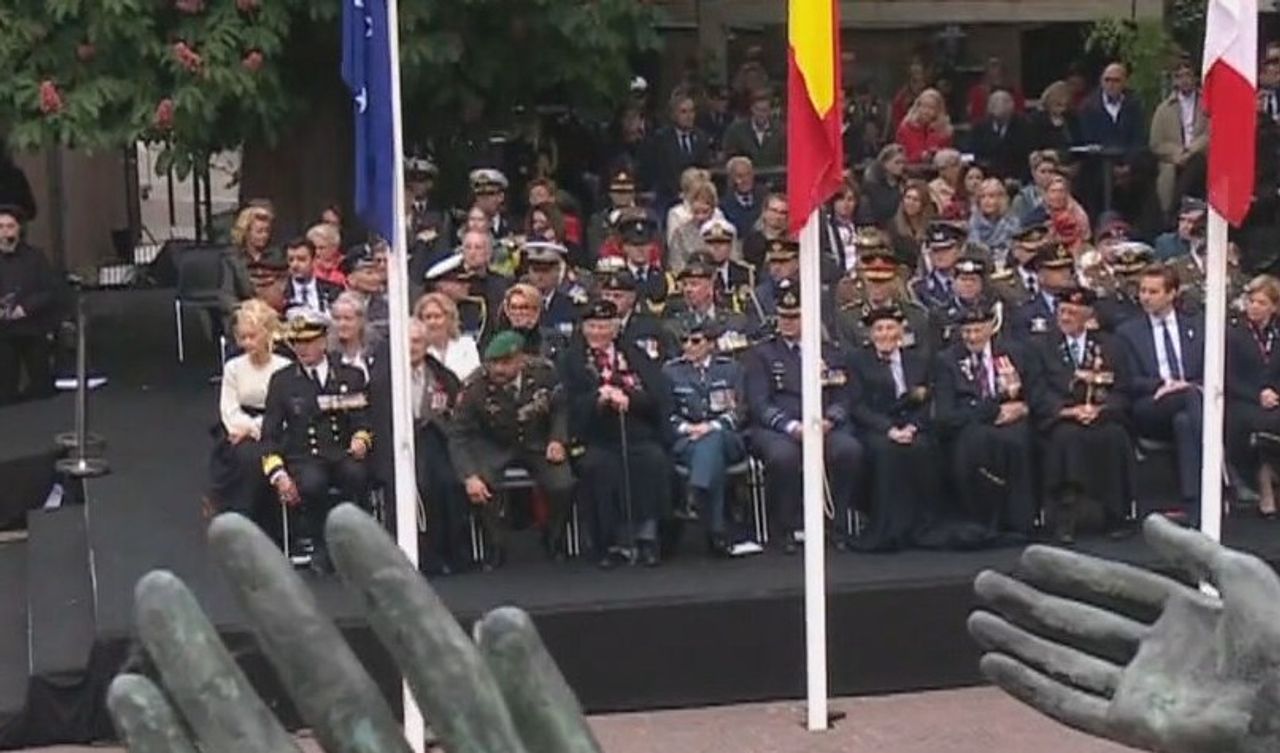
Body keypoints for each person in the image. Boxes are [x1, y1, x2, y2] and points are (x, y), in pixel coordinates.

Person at [743, 280, 864, 552]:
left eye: (794, 317)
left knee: (849, 450)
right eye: (784, 317)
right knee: (783, 457)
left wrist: (830, 419)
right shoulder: (762, 354)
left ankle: (837, 523)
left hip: (823, 424)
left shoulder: (829, 353)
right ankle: (785, 528)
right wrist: (789, 426)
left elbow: (844, 395)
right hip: (779, 427)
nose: (788, 322)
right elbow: (759, 402)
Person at [449, 330, 576, 566]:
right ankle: (495, 544)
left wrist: (558, 439)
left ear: (521, 359)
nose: (498, 370)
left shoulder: (543, 373)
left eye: (505, 363)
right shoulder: (474, 386)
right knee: (481, 487)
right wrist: (469, 475)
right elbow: (459, 434)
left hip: (537, 440)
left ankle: (553, 536)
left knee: (562, 483)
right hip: (494, 444)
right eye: (493, 363)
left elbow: (561, 408)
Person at [561, 299, 672, 568]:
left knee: (652, 460)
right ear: (583, 329)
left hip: (635, 430)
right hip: (594, 436)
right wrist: (598, 397)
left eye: (604, 326)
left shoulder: (633, 355)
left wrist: (629, 396)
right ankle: (608, 543)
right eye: (592, 326)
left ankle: (647, 539)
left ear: (615, 329)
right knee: (600, 467)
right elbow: (567, 405)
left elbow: (656, 397)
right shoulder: (571, 360)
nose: (598, 332)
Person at [260, 310, 373, 574]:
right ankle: (321, 545)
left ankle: (357, 544)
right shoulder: (283, 382)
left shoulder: (349, 376)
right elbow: (270, 435)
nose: (302, 349)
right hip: (305, 456)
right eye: (297, 343)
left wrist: (361, 440)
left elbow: (363, 421)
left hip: (343, 452)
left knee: (357, 476)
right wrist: (278, 474)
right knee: (312, 484)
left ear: (323, 342)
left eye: (308, 342)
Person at [1030, 286, 1133, 543]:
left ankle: (1115, 515)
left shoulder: (1110, 345)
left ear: (1088, 316)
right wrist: (1067, 411)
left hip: (1101, 415)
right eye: (1062, 311)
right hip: (1061, 417)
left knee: (1113, 436)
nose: (1065, 318)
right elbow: (1038, 390)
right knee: (1068, 438)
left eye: (1072, 313)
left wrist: (1101, 409)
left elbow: (1123, 388)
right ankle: (1066, 516)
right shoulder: (1041, 346)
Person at [366, 318, 468, 575]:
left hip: (434, 443)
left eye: (418, 341)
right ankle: (414, 557)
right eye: (407, 341)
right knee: (415, 486)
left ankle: (450, 553)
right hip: (394, 447)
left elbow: (456, 412)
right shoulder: (382, 378)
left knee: (448, 483)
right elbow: (378, 421)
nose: (412, 347)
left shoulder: (441, 375)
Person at [933, 301, 1037, 537]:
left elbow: (1033, 392)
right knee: (977, 442)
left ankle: (1018, 520)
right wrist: (990, 411)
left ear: (991, 328)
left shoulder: (1014, 353)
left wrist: (1024, 408)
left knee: (1018, 440)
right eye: (967, 331)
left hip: (1011, 422)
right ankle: (982, 520)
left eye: (978, 330)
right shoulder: (947, 361)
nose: (972, 337)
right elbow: (946, 415)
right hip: (970, 426)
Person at [1116, 264, 1204, 524]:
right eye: (1143, 290)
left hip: (1190, 402)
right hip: (1150, 405)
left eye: (1153, 291)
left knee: (1185, 421)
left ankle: (1194, 504)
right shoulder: (1127, 332)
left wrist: (1188, 386)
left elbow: (1212, 368)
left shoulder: (1197, 327)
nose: (1145, 297)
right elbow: (1129, 380)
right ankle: (1217, 464)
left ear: (1172, 293)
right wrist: (1164, 384)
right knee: (1189, 398)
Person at [849, 304, 939, 551]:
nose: (885, 334)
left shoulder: (918, 360)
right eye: (878, 329)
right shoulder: (858, 361)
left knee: (922, 449)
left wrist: (912, 426)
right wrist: (889, 429)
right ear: (870, 333)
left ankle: (921, 527)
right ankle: (887, 529)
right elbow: (857, 406)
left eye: (890, 327)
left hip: (911, 427)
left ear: (901, 331)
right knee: (886, 452)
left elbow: (927, 400)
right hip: (876, 427)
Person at [662, 319, 750, 557]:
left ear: (711, 344)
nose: (688, 346)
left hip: (727, 435)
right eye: (685, 341)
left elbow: (741, 410)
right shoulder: (670, 372)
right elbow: (665, 412)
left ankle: (694, 494)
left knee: (714, 440)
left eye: (695, 341)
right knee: (712, 455)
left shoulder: (731, 369)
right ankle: (717, 531)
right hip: (687, 439)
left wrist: (712, 425)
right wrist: (687, 428)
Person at [207, 300, 291, 525]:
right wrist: (245, 428)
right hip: (239, 431)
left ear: (267, 335)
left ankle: (265, 522)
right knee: (244, 456)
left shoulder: (283, 367)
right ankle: (244, 517)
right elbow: (229, 409)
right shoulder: (233, 367)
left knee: (259, 456)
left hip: (276, 430)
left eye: (252, 336)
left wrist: (257, 429)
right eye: (242, 337)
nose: (247, 343)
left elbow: (287, 410)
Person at [1226, 275, 1280, 518]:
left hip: (1274, 398)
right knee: (1260, 423)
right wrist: (1258, 395)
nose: (1254, 307)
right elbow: (1228, 376)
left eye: (1261, 302)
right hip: (1242, 399)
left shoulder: (1277, 335)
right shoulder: (1234, 333)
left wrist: (1274, 393)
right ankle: (1265, 487)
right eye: (1252, 301)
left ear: (1274, 307)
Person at [0, 205, 57, 404]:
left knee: (43, 390)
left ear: (19, 229)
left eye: (10, 226)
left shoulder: (35, 257)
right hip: (3, 332)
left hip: (32, 327)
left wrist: (25, 308)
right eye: (0, 227)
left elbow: (49, 290)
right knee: (5, 394)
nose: (5, 232)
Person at [1150, 58, 1209, 220]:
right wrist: (1177, 153)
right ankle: (1172, 211)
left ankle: (1174, 211)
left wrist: (1190, 150)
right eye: (1179, 76)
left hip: (1201, 157)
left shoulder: (1207, 104)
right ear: (1175, 80)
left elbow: (1211, 134)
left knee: (1196, 163)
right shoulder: (1164, 109)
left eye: (1188, 75)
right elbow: (1156, 143)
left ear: (1196, 78)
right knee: (1170, 174)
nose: (1184, 80)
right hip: (1173, 161)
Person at [645, 91, 712, 208]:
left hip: (696, 197)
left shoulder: (701, 137)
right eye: (684, 112)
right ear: (673, 115)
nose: (689, 116)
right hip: (667, 197)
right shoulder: (661, 139)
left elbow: (704, 168)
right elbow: (660, 172)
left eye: (692, 111)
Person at [220, 205, 284, 317]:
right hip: (247, 315)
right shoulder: (232, 259)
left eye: (267, 231)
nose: (264, 236)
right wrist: (246, 309)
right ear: (246, 232)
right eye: (259, 232)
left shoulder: (277, 256)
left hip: (275, 313)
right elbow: (226, 296)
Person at [414, 292, 481, 382]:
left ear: (449, 319)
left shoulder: (467, 345)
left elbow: (474, 377)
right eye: (427, 317)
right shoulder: (416, 349)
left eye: (437, 316)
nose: (432, 322)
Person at [969, 90, 1033, 182]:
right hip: (986, 177)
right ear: (989, 107)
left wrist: (1019, 180)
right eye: (994, 102)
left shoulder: (1024, 127)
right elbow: (971, 154)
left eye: (1004, 102)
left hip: (1016, 178)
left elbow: (1029, 157)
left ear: (1012, 105)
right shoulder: (979, 128)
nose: (999, 105)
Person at [666, 181, 722, 275]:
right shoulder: (680, 233)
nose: (700, 218)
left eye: (705, 212)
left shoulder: (725, 232)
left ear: (713, 209)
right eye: (696, 212)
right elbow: (676, 265)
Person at [721, 89, 784, 168]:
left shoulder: (781, 131)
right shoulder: (736, 131)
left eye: (764, 110)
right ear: (752, 109)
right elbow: (729, 159)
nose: (761, 114)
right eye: (757, 110)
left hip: (774, 177)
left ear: (770, 111)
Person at [912, 221, 966, 311]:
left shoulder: (972, 282)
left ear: (959, 250)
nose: (940, 255)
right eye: (936, 250)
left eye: (946, 249)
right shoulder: (918, 289)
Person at [282, 237, 342, 314]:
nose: (295, 265)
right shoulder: (281, 292)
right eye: (291, 260)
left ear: (314, 260)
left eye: (301, 259)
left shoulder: (334, 291)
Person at [967, 178, 1018, 264]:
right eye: (983, 197)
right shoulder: (973, 222)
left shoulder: (1012, 223)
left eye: (991, 196)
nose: (987, 201)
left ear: (1000, 199)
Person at [895, 88, 953, 164]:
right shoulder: (906, 127)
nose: (926, 111)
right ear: (917, 106)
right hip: (910, 171)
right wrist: (921, 156)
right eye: (924, 106)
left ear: (938, 110)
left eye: (931, 108)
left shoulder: (945, 131)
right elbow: (900, 156)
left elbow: (947, 159)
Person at [857, 144, 908, 226]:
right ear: (884, 163)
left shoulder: (904, 183)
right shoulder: (871, 185)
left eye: (903, 162)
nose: (901, 166)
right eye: (897, 162)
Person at [328, 291, 375, 380]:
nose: (342, 324)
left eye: (348, 318)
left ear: (361, 321)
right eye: (337, 318)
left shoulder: (375, 354)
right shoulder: (328, 359)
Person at [1009, 150, 1064, 226]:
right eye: (1043, 172)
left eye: (1051, 171)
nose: (1047, 176)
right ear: (1033, 173)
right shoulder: (1022, 199)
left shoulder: (1063, 196)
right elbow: (1015, 226)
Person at [888, 180, 933, 271]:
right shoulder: (893, 226)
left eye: (916, 200)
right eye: (908, 198)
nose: (910, 203)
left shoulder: (931, 226)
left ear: (923, 204)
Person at [1026, 80, 1079, 157]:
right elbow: (1031, 147)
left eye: (1066, 105)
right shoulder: (1035, 120)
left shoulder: (1071, 118)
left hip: (1068, 162)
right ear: (1050, 101)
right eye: (1058, 105)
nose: (1062, 109)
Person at [966, 56, 1026, 123]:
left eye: (997, 67)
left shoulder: (1015, 93)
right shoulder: (976, 93)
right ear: (986, 74)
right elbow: (974, 117)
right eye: (992, 67)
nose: (995, 72)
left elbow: (1020, 115)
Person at [741, 193, 791, 272]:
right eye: (774, 211)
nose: (778, 216)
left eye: (783, 213)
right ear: (764, 212)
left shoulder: (791, 241)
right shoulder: (752, 241)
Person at [720, 156, 768, 238]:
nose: (746, 179)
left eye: (748, 174)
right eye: (740, 176)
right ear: (731, 178)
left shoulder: (765, 196)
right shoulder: (724, 204)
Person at [1154, 196, 1207, 261]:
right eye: (1182, 219)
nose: (1185, 226)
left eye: (1192, 221)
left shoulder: (1210, 246)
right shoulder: (1165, 243)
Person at [928, 148, 968, 220]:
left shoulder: (966, 183)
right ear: (942, 170)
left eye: (959, 165)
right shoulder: (932, 189)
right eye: (954, 165)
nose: (958, 169)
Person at [307, 223, 347, 288]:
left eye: (321, 248)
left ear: (335, 247)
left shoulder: (347, 264)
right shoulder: (306, 267)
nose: (317, 252)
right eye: (313, 248)